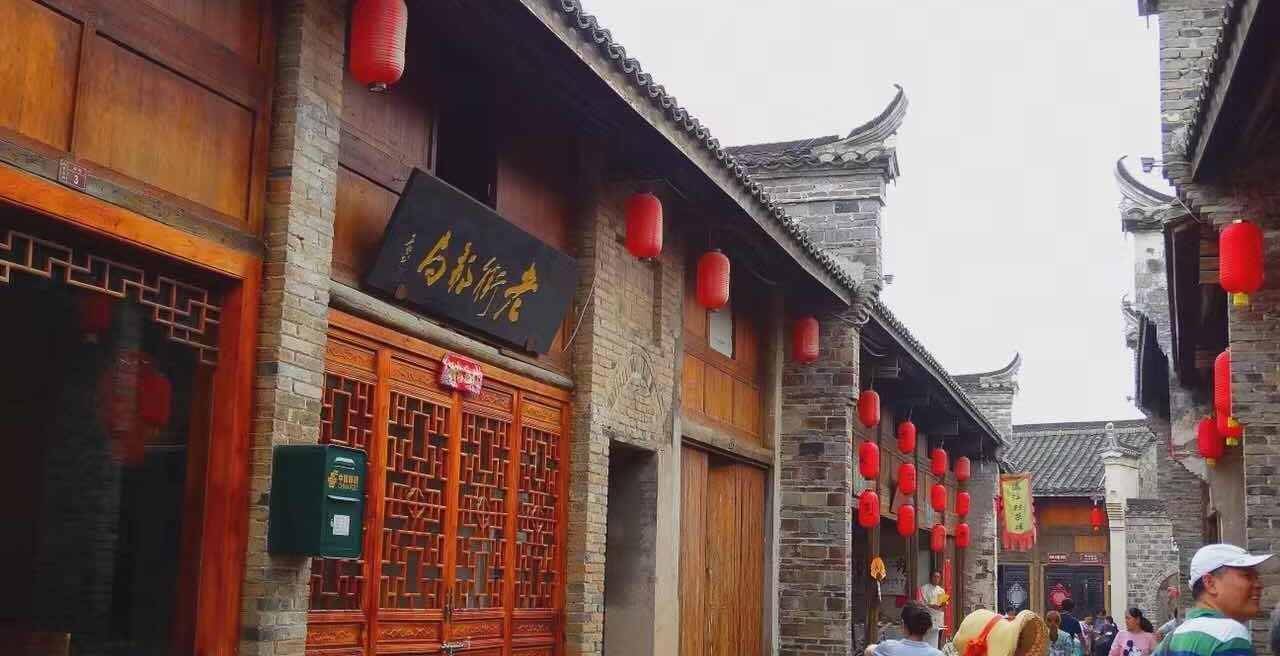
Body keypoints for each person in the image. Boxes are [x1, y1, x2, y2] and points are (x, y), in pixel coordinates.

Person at [1154, 543, 1274, 656]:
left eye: (1256, 577)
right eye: (1247, 576)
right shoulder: (1229, 635)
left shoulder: (1172, 638)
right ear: (1210, 583)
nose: (1259, 585)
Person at [865, 601, 945, 656]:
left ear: (903, 624)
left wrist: (873, 647)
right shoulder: (937, 654)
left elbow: (868, 651)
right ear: (928, 629)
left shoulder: (888, 648)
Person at [920, 571, 947, 647]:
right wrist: (931, 606)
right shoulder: (924, 588)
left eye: (938, 577)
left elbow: (943, 604)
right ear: (931, 577)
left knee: (939, 635)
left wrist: (942, 605)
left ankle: (938, 650)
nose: (936, 579)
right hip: (928, 615)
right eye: (935, 576)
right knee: (928, 636)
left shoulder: (941, 590)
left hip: (938, 616)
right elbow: (921, 602)